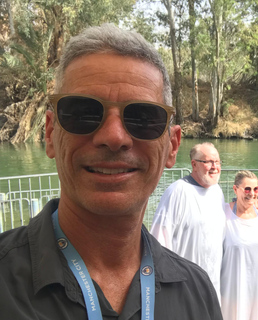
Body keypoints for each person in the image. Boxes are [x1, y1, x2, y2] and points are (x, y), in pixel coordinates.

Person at [0, 24, 222, 319]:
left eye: (143, 117)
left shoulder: (197, 293)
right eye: (83, 113)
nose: (114, 137)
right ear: (50, 133)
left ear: (172, 146)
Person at [150, 142, 225, 300]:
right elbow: (159, 241)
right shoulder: (177, 191)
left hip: (212, 284)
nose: (214, 167)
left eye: (217, 162)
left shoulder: (217, 192)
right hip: (184, 287)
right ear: (194, 164)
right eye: (209, 162)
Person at [220, 170, 258, 320]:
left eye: (256, 189)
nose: (252, 193)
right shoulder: (223, 213)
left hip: (257, 289)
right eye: (247, 189)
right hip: (231, 288)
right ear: (235, 189)